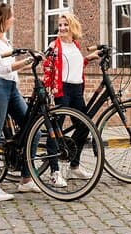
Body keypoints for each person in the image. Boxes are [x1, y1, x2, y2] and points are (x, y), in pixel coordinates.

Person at [0, 2, 40, 202]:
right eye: (10, 16)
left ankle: (26, 179)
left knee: (33, 129)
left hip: (11, 88)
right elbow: (4, 67)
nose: (13, 19)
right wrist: (28, 61)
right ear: (1, 19)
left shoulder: (5, 41)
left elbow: (11, 67)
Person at [43, 13, 101, 184]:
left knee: (84, 126)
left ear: (72, 27)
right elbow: (48, 68)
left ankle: (74, 166)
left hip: (77, 91)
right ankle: (54, 172)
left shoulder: (75, 45)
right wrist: (50, 91)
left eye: (65, 25)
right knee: (56, 130)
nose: (61, 28)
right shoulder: (54, 45)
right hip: (62, 90)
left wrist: (88, 59)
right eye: (60, 25)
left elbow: (75, 65)